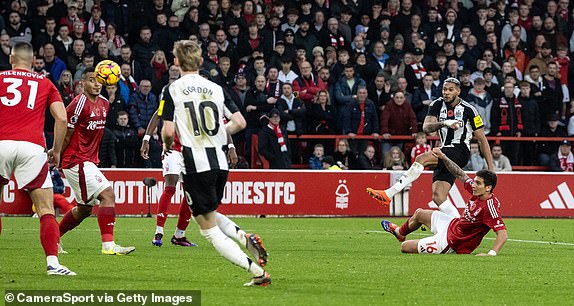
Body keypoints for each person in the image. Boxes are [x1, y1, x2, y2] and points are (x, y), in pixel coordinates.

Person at [159, 40, 271, 286]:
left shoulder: (172, 89)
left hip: (195, 163)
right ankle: (243, 235)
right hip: (220, 163)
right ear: (200, 62)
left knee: (207, 229)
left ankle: (257, 273)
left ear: (176, 62)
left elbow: (168, 131)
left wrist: (168, 148)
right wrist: (219, 135)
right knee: (208, 210)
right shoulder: (216, 87)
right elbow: (240, 122)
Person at [367, 77, 494, 218]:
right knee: (438, 196)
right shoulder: (437, 105)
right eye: (445, 89)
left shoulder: (469, 110)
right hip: (445, 149)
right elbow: (426, 128)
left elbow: (482, 139)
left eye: (450, 90)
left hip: (460, 150)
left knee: (421, 158)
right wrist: (444, 123)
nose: (446, 92)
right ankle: (459, 224)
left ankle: (389, 193)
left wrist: (491, 168)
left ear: (458, 91)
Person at [0, 42, 76, 275]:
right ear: (33, 61)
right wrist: (56, 151)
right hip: (33, 148)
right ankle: (53, 263)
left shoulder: (1, 78)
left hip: (1, 143)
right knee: (45, 209)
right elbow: (62, 119)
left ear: (11, 58)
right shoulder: (45, 83)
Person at [58, 67, 135, 256]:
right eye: (92, 80)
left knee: (84, 209)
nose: (97, 83)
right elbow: (66, 130)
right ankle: (108, 246)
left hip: (88, 160)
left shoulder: (104, 103)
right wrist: (57, 152)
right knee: (108, 195)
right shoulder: (78, 103)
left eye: (99, 80)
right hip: (76, 160)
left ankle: (54, 237)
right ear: (82, 83)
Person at [380, 147, 508, 256]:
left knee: (405, 247)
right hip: (452, 225)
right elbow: (460, 174)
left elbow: (502, 234)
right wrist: (443, 157)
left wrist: (490, 254)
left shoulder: (490, 206)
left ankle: (430, 242)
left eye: (478, 183)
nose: (473, 185)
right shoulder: (477, 192)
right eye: (474, 181)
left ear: (488, 188)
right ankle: (399, 233)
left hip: (453, 243)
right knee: (419, 213)